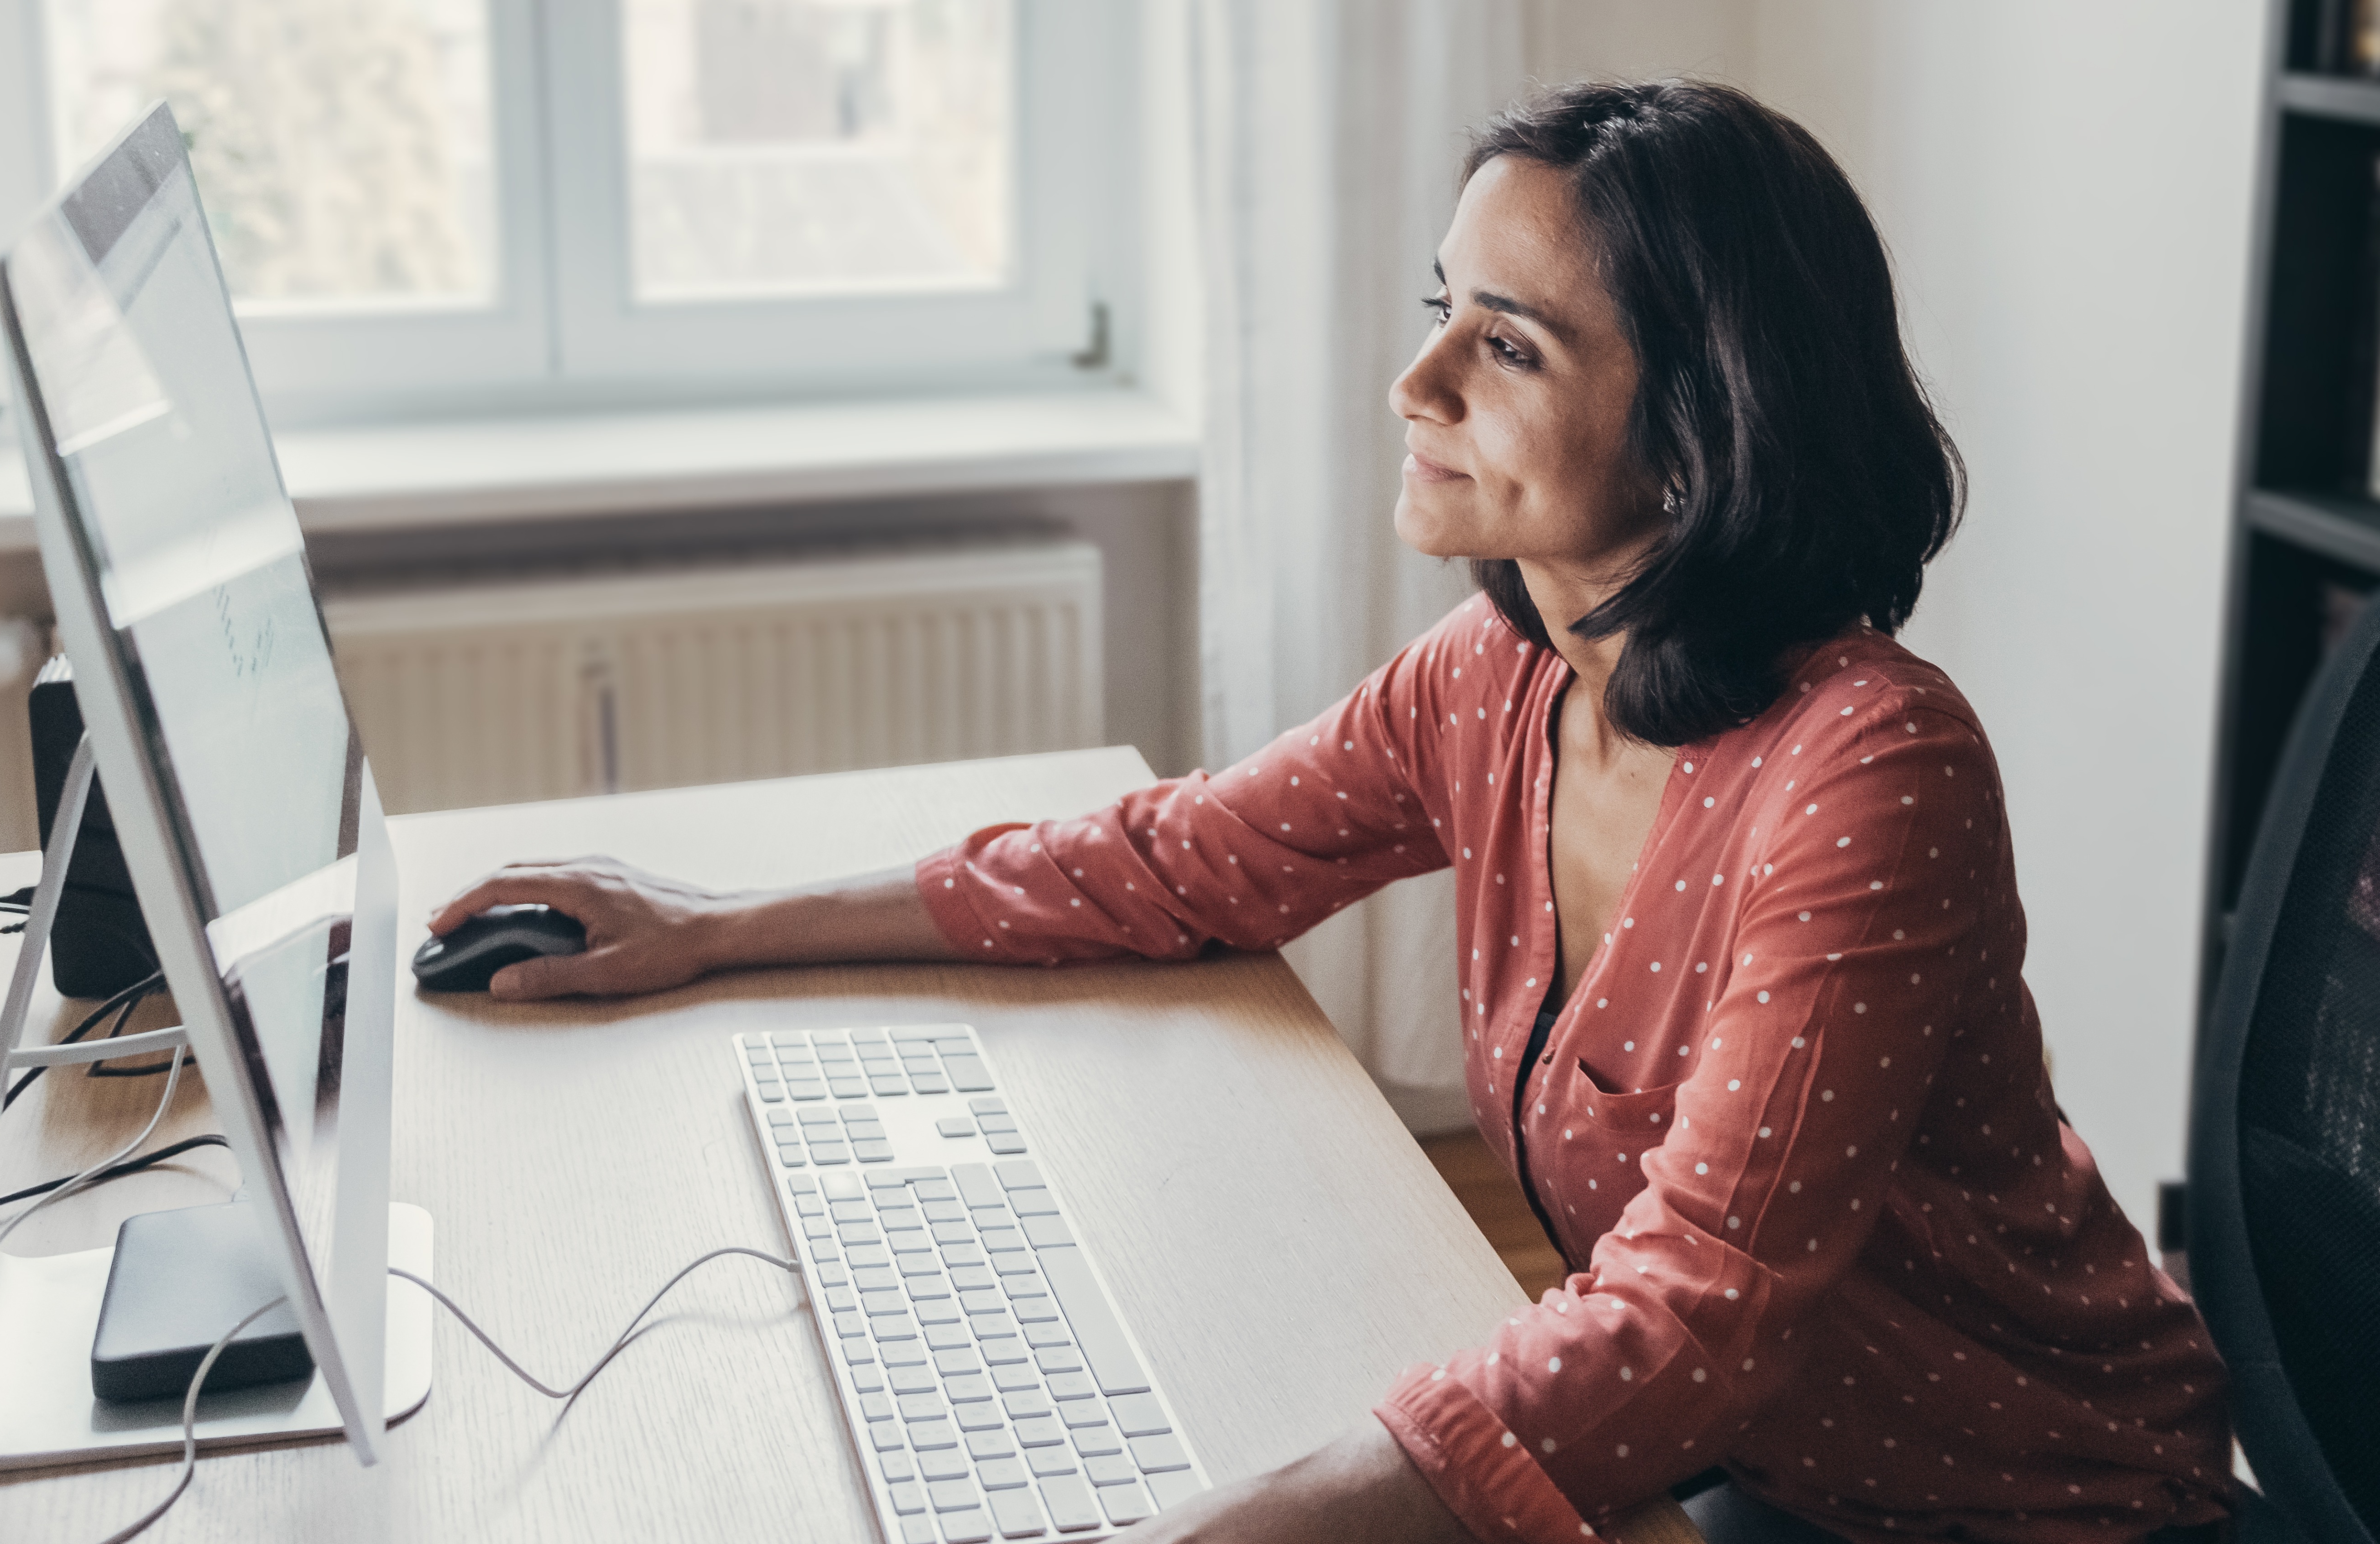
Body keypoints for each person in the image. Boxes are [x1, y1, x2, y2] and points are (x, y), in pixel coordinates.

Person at [433, 79, 2231, 1544]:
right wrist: (711, 925)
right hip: (1765, 1469)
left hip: (2026, 1506)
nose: (1418, 384)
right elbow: (1171, 865)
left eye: (1507, 348)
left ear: (1699, 428)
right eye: (1439, 312)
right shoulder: (1506, 670)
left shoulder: (1869, 772)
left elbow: (1691, 1320)